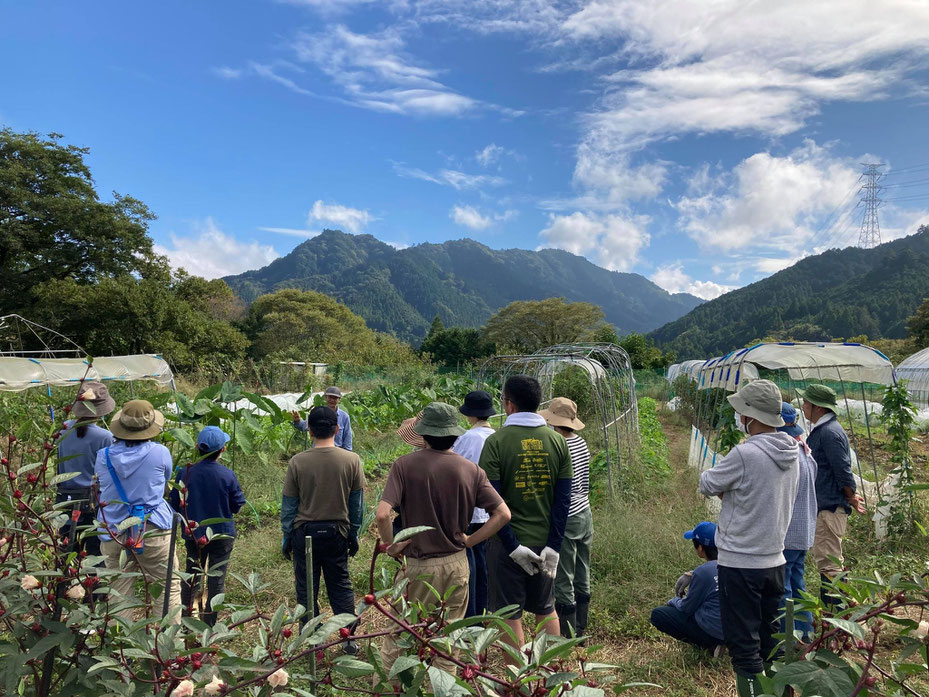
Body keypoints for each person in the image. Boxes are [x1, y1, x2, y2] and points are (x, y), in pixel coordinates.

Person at [375, 401, 510, 674]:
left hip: (418, 564)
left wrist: (392, 546)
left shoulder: (404, 465)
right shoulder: (471, 470)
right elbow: (502, 514)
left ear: (423, 434)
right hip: (457, 563)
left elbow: (381, 515)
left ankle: (394, 685)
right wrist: (470, 541)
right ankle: (443, 687)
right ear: (455, 433)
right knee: (449, 639)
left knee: (401, 632)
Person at [698, 380, 799, 697]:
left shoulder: (745, 454)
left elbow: (707, 483)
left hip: (740, 564)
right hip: (775, 561)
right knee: (772, 639)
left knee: (743, 645)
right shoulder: (793, 451)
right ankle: (779, 692)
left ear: (750, 417)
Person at [478, 375, 573, 653]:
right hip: (545, 544)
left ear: (508, 404)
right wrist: (554, 546)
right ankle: (550, 673)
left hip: (507, 546)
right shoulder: (557, 442)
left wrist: (512, 546)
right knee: (546, 607)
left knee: (509, 615)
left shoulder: (496, 442)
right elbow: (563, 500)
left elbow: (491, 502)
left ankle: (516, 682)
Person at [281, 405, 365, 653]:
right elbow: (356, 505)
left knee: (306, 588)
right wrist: (354, 533)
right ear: (337, 429)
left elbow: (289, 506)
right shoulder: (352, 460)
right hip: (336, 532)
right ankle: (348, 637)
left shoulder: (298, 462)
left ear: (309, 430)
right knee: (340, 584)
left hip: (304, 533)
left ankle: (311, 640)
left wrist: (287, 536)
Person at [95, 399, 181, 622]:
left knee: (117, 592)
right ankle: (167, 648)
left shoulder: (103, 456)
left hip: (113, 529)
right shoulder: (159, 452)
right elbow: (164, 483)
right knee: (166, 587)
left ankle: (120, 651)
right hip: (151, 528)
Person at [169, 426, 246, 626]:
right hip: (222, 536)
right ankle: (209, 627)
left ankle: (187, 623)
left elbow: (175, 504)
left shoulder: (185, 473)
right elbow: (237, 505)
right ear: (224, 449)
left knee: (192, 577)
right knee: (216, 580)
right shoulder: (227, 475)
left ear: (197, 447)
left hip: (193, 534)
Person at [798, 384, 866, 605]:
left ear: (818, 407)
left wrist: (851, 496)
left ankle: (837, 619)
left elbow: (843, 471)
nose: (803, 406)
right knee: (828, 562)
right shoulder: (825, 430)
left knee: (829, 565)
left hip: (829, 508)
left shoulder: (829, 433)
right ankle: (839, 615)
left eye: (806, 402)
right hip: (825, 506)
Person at [539, 397, 593, 639]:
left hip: (567, 514)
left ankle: (567, 632)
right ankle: (581, 625)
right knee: (583, 568)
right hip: (585, 511)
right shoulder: (581, 443)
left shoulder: (557, 446)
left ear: (554, 422)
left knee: (563, 574)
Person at [450, 390, 496, 617]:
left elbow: (455, 468)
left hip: (470, 510)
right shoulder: (496, 436)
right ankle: (485, 610)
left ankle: (472, 615)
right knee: (484, 562)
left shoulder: (466, 438)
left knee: (470, 565)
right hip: (493, 510)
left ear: (470, 414)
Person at [56, 381, 115, 557]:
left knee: (67, 549)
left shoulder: (63, 429)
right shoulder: (105, 437)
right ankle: (90, 584)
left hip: (65, 497)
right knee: (94, 552)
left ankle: (62, 583)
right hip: (93, 501)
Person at [649, 521, 723, 652]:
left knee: (658, 614)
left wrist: (674, 600)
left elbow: (687, 608)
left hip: (715, 631)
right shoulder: (736, 563)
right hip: (738, 630)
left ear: (700, 548)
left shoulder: (703, 572)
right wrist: (691, 574)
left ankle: (710, 646)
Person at [778, 402, 817, 639]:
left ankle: (788, 639)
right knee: (797, 583)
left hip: (789, 531)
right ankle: (806, 635)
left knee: (783, 587)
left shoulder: (789, 454)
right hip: (804, 530)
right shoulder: (804, 449)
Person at [292, 386, 353, 451]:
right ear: (325, 397)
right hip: (318, 451)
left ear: (339, 399)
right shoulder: (318, 412)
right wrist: (298, 421)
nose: (332, 400)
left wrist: (347, 455)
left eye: (335, 398)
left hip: (336, 453)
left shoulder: (344, 417)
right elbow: (305, 426)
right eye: (330, 397)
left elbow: (347, 438)